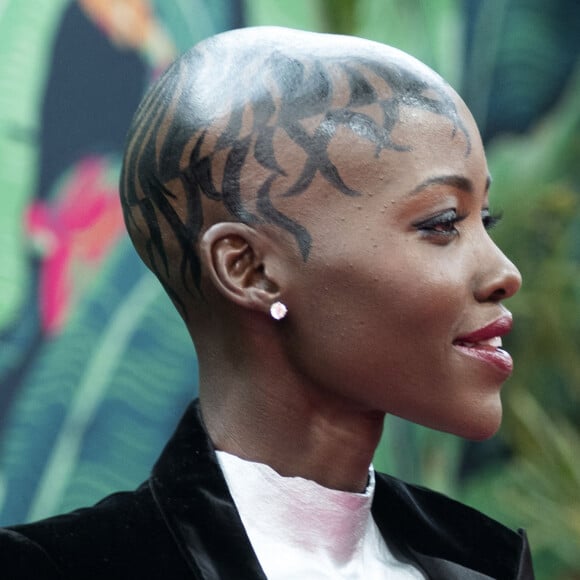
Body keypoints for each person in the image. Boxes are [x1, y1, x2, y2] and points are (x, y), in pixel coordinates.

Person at [1, 26, 534, 579]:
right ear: (249, 269)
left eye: (485, 220)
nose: (504, 274)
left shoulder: (483, 559)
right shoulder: (57, 568)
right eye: (443, 223)